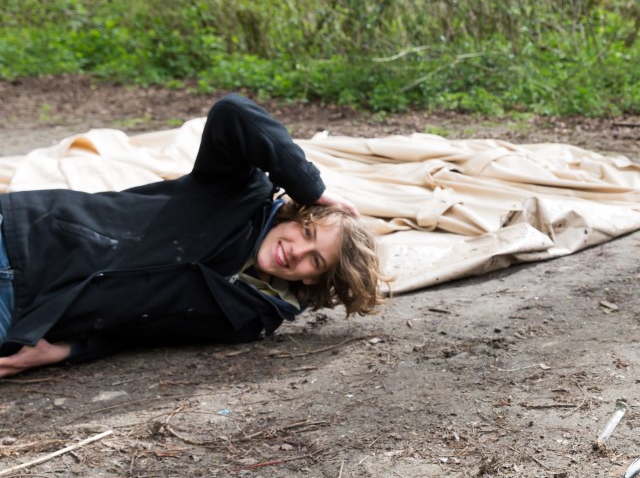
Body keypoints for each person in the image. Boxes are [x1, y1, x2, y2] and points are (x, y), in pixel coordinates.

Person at [0, 94, 381, 379]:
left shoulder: (248, 321)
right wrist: (311, 187)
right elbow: (232, 112)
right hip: (22, 237)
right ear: (298, 214)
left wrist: (66, 351)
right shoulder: (240, 194)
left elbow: (140, 332)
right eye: (307, 232)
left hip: (30, 310)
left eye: (315, 258)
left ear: (314, 278)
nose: (297, 251)